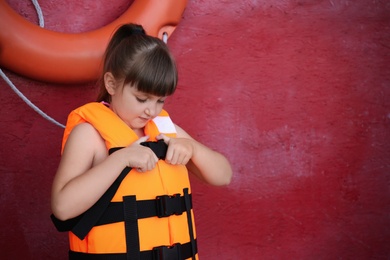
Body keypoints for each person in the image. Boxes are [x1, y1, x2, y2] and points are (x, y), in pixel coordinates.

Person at [51, 23, 232, 259]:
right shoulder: (89, 135)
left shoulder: (165, 130)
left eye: (160, 101)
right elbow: (62, 208)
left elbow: (224, 175)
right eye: (142, 99)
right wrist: (121, 158)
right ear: (111, 84)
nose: (151, 111)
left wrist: (192, 148)